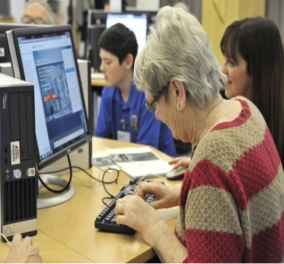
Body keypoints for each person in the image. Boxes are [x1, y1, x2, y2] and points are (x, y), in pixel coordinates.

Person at [114, 6, 284, 263]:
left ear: (178, 92)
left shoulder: (210, 163)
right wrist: (183, 196)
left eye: (154, 104)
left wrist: (151, 225)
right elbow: (235, 204)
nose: (156, 115)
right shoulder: (245, 109)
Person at [170, 16, 284, 170]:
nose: (222, 69)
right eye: (224, 59)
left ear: (257, 70)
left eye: (231, 62)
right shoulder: (230, 108)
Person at [96, 23, 177, 156]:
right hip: (123, 164)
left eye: (108, 62)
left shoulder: (149, 95)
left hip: (158, 167)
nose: (101, 68)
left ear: (128, 61)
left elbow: (144, 152)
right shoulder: (108, 92)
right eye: (101, 60)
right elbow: (101, 141)